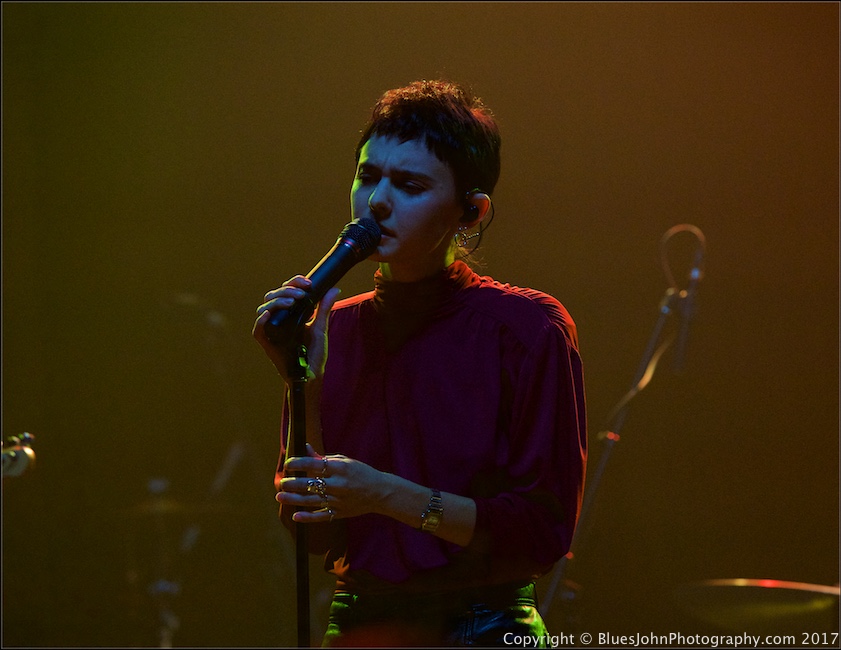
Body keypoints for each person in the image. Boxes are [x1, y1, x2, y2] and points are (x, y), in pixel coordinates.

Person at [253, 80, 587, 648]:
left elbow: (540, 532)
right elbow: (309, 534)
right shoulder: (339, 328)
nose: (377, 200)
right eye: (367, 175)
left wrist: (384, 494)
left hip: (484, 622)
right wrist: (300, 381)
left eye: (409, 184)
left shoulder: (527, 329)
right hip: (362, 621)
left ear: (471, 210)